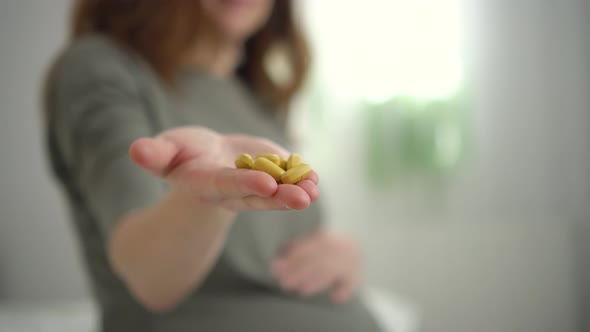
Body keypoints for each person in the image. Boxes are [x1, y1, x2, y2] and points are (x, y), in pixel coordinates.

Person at [44, 0, 382, 331]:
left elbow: (274, 244)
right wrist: (208, 197)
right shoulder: (102, 67)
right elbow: (150, 278)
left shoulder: (253, 93)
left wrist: (342, 251)